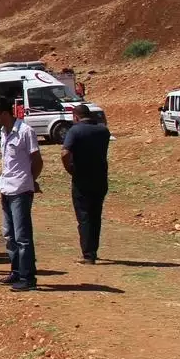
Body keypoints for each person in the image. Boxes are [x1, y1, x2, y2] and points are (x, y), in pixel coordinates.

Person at [0, 95, 43, 292]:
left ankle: (28, 277)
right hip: (6, 188)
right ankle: (16, 271)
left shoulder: (25, 131)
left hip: (20, 189)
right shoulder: (4, 133)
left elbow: (37, 160)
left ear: (5, 113)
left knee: (22, 236)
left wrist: (30, 180)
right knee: (9, 234)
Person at [61, 103, 110, 264]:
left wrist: (70, 168)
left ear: (76, 117)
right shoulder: (103, 131)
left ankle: (88, 254)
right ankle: (93, 250)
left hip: (82, 178)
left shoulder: (75, 131)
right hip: (100, 178)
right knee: (96, 216)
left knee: (84, 216)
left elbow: (65, 152)